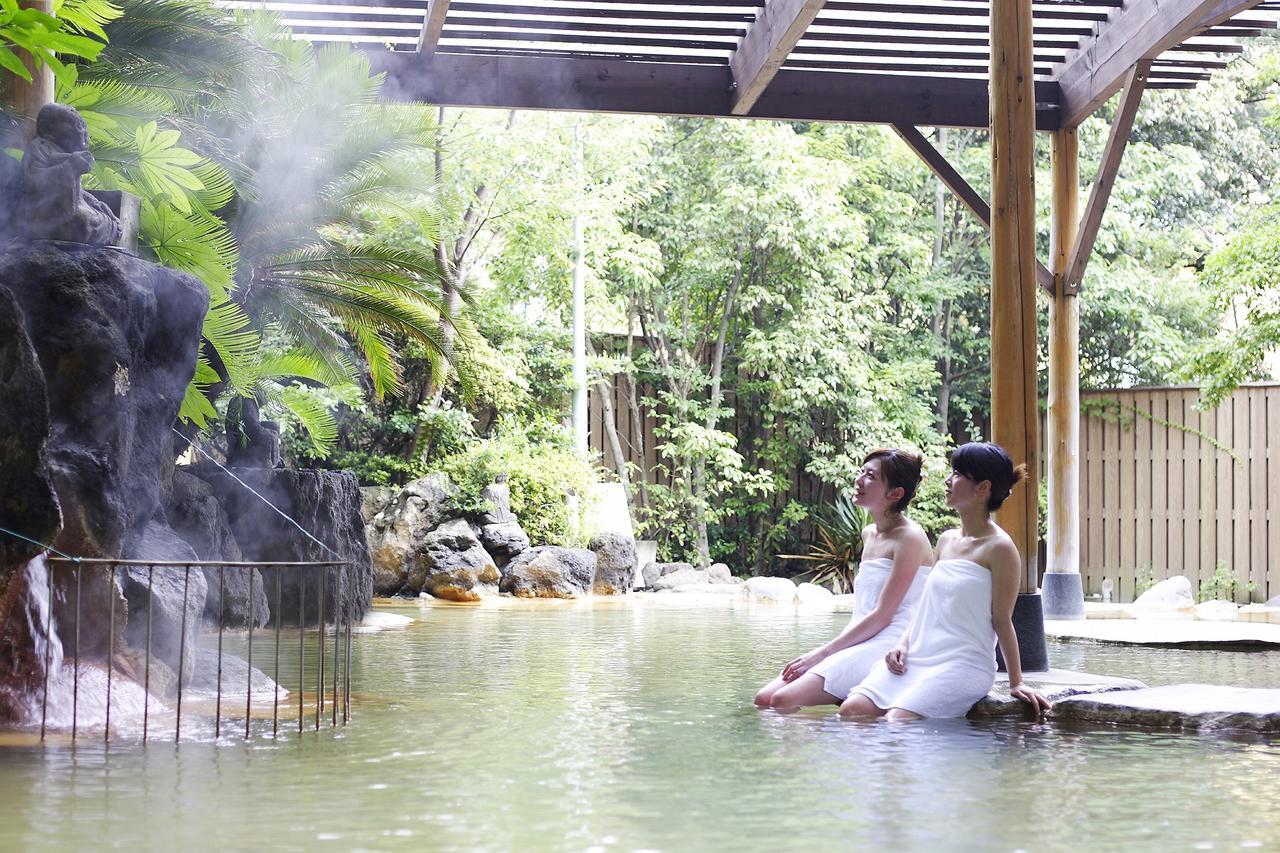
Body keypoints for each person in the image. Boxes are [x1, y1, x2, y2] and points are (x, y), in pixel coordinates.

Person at [839, 442, 1052, 721]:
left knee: (897, 721)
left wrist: (1016, 682)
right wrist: (903, 644)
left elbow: (1003, 620)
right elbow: (925, 604)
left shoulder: (1000, 548)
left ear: (983, 488)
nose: (948, 480)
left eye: (958, 474)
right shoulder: (946, 540)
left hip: (963, 664)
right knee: (851, 711)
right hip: (920, 656)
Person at [755, 449, 933, 712]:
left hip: (890, 640)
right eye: (862, 472)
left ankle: (821, 750)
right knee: (764, 699)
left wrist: (822, 653)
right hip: (859, 635)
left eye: (870, 476)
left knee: (782, 700)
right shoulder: (869, 533)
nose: (859, 480)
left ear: (895, 493)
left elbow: (884, 615)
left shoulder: (910, 538)